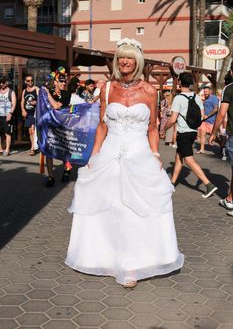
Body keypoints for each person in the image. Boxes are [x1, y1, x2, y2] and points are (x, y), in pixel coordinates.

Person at [66, 38, 184, 288]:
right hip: (110, 154)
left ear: (137, 60)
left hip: (139, 155)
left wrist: (155, 155)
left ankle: (133, 264)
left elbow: (152, 127)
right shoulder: (107, 88)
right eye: (121, 57)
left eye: (129, 57)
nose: (125, 61)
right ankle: (109, 259)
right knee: (112, 208)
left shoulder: (150, 90)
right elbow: (102, 124)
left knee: (135, 211)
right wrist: (93, 157)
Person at [165, 72, 218, 198]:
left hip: (183, 133)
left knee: (188, 159)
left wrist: (164, 129)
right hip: (193, 132)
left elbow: (172, 119)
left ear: (179, 82)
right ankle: (172, 183)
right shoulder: (196, 97)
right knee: (179, 156)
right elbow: (201, 115)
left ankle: (208, 184)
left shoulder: (178, 98)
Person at [209, 64, 233, 215]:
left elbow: (221, 113)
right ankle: (230, 199)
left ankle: (230, 200)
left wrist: (213, 132)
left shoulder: (229, 89)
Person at [45, 69, 72, 187]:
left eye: (65, 81)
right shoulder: (50, 91)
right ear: (55, 82)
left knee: (64, 150)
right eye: (61, 81)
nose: (63, 83)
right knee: (48, 152)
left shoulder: (67, 94)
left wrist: (47, 94)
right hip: (50, 125)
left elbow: (56, 106)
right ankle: (50, 177)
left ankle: (67, 170)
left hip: (62, 126)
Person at [196, 85, 219, 154]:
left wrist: (207, 115)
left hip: (212, 120)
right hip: (204, 120)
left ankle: (223, 145)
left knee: (215, 137)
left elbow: (216, 109)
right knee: (202, 133)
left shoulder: (214, 98)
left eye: (206, 92)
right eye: (204, 92)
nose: (205, 93)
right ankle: (202, 149)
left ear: (210, 91)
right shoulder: (205, 98)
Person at [21, 74, 39, 156]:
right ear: (25, 82)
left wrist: (36, 102)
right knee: (30, 132)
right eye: (28, 81)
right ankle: (34, 146)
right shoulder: (24, 91)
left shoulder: (36, 89)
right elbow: (22, 101)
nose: (30, 82)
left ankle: (33, 148)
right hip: (28, 114)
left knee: (33, 130)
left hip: (35, 113)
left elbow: (42, 100)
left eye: (31, 80)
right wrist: (23, 110)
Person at [0, 76, 17, 156]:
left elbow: (14, 104)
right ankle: (0, 149)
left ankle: (7, 149)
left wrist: (10, 113)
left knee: (7, 133)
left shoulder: (11, 92)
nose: (1, 84)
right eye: (0, 82)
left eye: (3, 82)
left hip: (7, 115)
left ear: (6, 82)